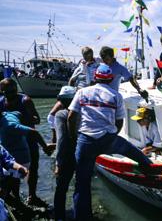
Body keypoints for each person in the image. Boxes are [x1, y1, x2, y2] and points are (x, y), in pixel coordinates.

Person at [67, 64, 153, 220]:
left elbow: (71, 117)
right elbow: (119, 122)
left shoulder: (82, 92)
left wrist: (75, 138)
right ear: (111, 79)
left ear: (95, 77)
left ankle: (83, 217)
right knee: (136, 153)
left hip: (85, 140)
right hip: (107, 139)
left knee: (82, 184)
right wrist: (112, 135)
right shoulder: (116, 96)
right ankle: (152, 172)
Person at [0, 78, 49, 207]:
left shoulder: (25, 100)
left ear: (16, 89)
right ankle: (16, 197)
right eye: (7, 91)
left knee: (33, 167)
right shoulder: (1, 102)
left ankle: (32, 195)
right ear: (2, 91)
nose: (11, 93)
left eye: (13, 90)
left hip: (29, 137)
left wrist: (21, 120)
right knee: (12, 168)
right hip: (12, 141)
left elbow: (37, 120)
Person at [0, 110, 54, 211]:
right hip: (11, 153)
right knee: (11, 185)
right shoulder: (10, 114)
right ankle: (17, 202)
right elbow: (19, 113)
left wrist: (45, 146)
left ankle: (20, 207)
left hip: (18, 158)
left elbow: (33, 132)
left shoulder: (9, 125)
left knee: (8, 187)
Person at [53, 86, 77, 220]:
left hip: (67, 156)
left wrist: (58, 162)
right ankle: (82, 214)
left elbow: (61, 140)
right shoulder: (83, 112)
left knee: (61, 188)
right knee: (81, 187)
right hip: (82, 153)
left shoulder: (61, 114)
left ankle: (60, 216)